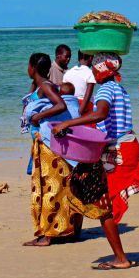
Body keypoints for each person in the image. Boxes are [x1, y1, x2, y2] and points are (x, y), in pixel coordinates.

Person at [52, 53, 139, 270]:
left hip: (119, 150)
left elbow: (101, 114)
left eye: (95, 70)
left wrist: (68, 123)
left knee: (106, 205)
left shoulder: (105, 89)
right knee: (103, 200)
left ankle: (120, 259)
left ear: (102, 70)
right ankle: (119, 256)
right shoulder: (118, 89)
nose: (92, 74)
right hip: (124, 146)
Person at [22, 54, 82, 247]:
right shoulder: (41, 87)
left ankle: (47, 235)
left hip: (48, 146)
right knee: (51, 187)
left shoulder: (46, 86)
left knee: (49, 187)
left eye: (28, 66)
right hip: (45, 145)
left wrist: (38, 116)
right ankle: (53, 231)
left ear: (32, 67)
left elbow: (60, 105)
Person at [63, 51, 96, 115]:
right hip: (85, 107)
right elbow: (87, 96)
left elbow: (64, 93)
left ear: (78, 58)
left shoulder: (68, 72)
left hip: (70, 105)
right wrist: (80, 112)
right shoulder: (90, 73)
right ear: (91, 58)